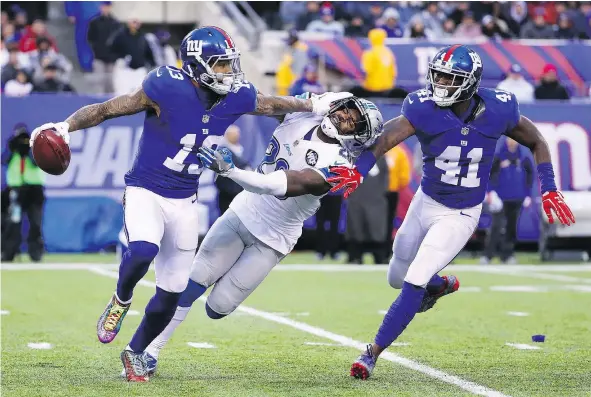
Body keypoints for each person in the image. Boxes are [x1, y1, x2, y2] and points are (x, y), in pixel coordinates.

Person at [28, 26, 346, 382]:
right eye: (221, 65)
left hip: (185, 199)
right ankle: (121, 298)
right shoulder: (165, 86)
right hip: (145, 189)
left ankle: (135, 353)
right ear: (197, 66)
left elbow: (271, 103)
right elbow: (106, 109)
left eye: (230, 64)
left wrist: (313, 103)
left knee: (173, 291)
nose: (230, 73)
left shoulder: (236, 95)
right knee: (143, 249)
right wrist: (67, 126)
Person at [326, 44, 576, 380]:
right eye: (438, 76)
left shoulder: (499, 108)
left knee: (412, 280)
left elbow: (538, 141)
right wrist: (359, 169)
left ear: (469, 83)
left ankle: (371, 353)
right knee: (396, 278)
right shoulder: (422, 106)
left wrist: (548, 186)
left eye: (449, 78)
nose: (440, 84)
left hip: (460, 213)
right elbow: (385, 139)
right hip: (425, 201)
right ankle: (439, 284)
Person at [141, 95, 383, 376]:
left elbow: (273, 185)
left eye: (354, 121)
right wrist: (303, 103)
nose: (346, 117)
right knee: (193, 282)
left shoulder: (339, 165)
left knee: (217, 307)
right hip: (243, 211)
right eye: (348, 111)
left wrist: (230, 171)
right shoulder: (304, 115)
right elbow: (263, 104)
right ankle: (150, 351)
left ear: (357, 136)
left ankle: (215, 291)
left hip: (274, 237)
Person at [481, 137, 533, 264]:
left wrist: (528, 194)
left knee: (511, 228)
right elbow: (488, 173)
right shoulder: (498, 154)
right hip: (500, 197)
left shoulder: (524, 156)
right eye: (510, 138)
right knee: (497, 226)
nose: (512, 140)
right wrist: (490, 192)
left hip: (517, 197)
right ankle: (488, 255)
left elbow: (530, 175)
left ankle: (507, 255)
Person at [1, 125, 45, 262]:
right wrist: (12, 147)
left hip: (34, 189)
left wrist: (30, 149)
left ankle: (36, 254)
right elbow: (3, 160)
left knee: (36, 223)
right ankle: (8, 253)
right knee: (13, 222)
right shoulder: (12, 148)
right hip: (16, 189)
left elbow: (37, 162)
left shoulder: (35, 148)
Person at [215, 125, 250, 215]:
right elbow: (222, 176)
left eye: (238, 133)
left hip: (242, 195)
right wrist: (234, 190)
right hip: (229, 196)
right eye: (234, 134)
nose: (237, 135)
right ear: (227, 135)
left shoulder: (240, 149)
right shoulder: (222, 151)